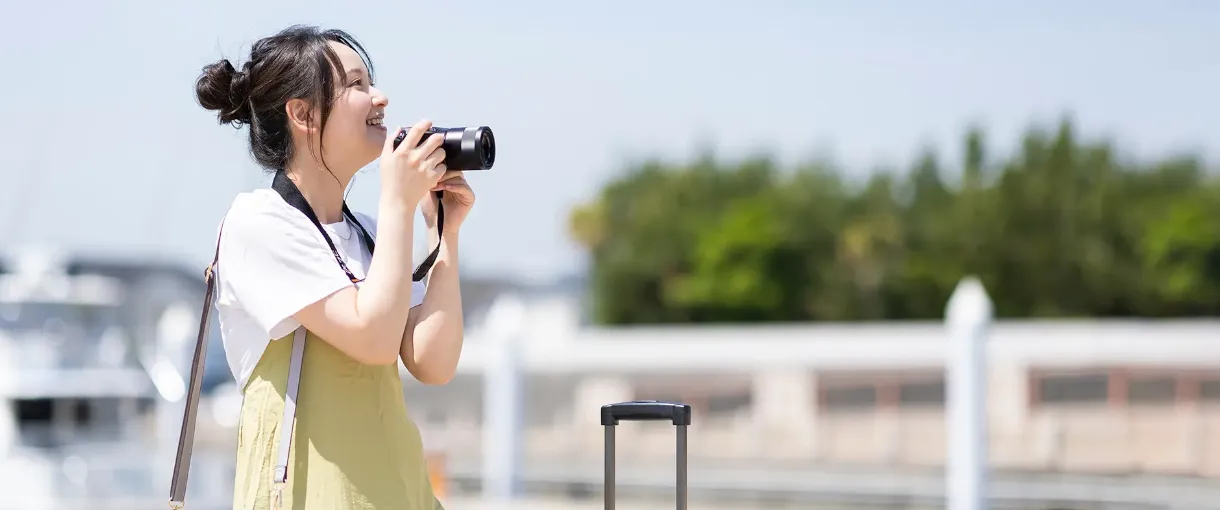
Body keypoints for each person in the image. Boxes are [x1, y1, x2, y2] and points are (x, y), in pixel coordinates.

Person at [194, 25, 473, 510]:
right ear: (302, 113)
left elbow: (433, 362)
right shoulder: (258, 222)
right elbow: (372, 336)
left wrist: (444, 235)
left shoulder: (369, 230)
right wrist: (397, 203)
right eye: (357, 84)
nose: (379, 97)